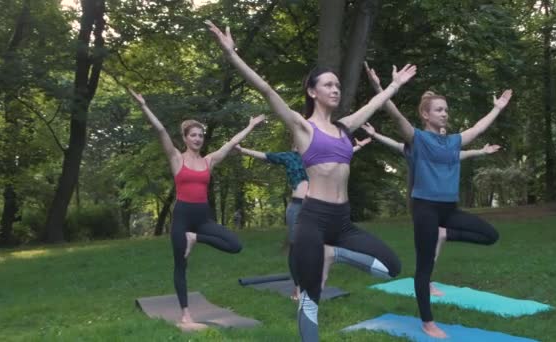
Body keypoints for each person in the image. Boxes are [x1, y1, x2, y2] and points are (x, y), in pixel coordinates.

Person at [205, 20, 415, 341]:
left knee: (391, 267)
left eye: (337, 85)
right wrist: (233, 55)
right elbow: (266, 89)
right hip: (313, 219)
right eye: (328, 85)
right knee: (311, 297)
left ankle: (336, 253)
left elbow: (373, 106)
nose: (335, 89)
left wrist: (395, 85)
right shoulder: (303, 129)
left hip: (343, 222)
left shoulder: (345, 128)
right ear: (312, 91)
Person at [363, 62, 511, 338]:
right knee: (424, 268)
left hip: (449, 211)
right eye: (439, 110)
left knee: (490, 235)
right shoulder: (418, 139)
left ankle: (445, 233)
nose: (445, 114)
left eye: (446, 110)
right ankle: (427, 321)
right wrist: (380, 88)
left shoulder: (453, 142)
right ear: (425, 114)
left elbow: (478, 129)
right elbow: (395, 117)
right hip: (425, 209)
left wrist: (497, 109)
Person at [128, 88, 265, 329]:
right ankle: (185, 314)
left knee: (235, 245)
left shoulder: (208, 161)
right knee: (180, 265)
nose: (198, 139)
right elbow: (160, 131)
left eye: (201, 135)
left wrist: (251, 126)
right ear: (185, 138)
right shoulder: (176, 159)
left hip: (202, 219)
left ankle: (196, 238)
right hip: (182, 216)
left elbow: (231, 142)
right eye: (193, 135)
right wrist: (143, 106)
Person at [360, 122, 501, 296]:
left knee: (433, 248)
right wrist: (374, 134)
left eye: (444, 132)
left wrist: (480, 151)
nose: (442, 133)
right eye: (439, 131)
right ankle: (426, 282)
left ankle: (432, 268)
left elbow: (462, 153)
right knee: (428, 251)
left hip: (443, 206)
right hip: (423, 204)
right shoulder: (415, 148)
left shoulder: (447, 152)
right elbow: (393, 143)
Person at [235, 137, 372, 300]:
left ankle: (314, 282)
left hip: (316, 207)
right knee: (296, 248)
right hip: (297, 206)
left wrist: (357, 147)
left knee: (317, 247)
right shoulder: (289, 157)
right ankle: (298, 287)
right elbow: (265, 156)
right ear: (294, 145)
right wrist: (242, 150)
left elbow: (339, 155)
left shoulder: (317, 158)